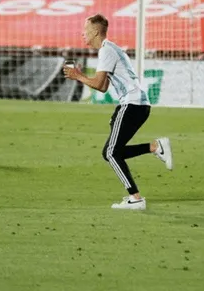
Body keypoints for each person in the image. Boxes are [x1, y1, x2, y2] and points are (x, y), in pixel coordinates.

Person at [64, 14, 173, 210]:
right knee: (112, 152)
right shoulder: (108, 49)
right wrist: (79, 76)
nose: (82, 33)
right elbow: (103, 86)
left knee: (111, 153)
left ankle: (136, 198)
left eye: (85, 29)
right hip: (135, 105)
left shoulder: (107, 50)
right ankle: (155, 147)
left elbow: (97, 83)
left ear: (95, 31)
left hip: (133, 104)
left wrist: (78, 76)